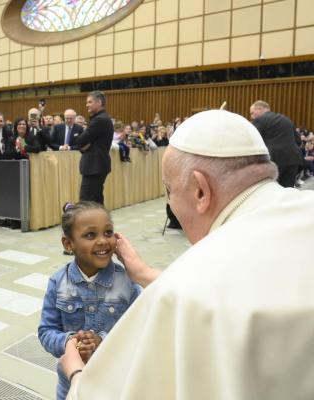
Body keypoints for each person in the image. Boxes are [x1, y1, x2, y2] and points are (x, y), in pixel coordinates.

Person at [61, 109, 314, 400]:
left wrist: (77, 373)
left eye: (169, 192)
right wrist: (143, 273)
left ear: (201, 192)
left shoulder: (185, 289)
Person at [39, 202, 140, 400]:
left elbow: (138, 330)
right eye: (90, 235)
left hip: (116, 383)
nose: (103, 241)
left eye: (108, 232)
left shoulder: (128, 282)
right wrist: (70, 342)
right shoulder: (58, 282)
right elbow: (46, 331)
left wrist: (103, 339)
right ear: (68, 244)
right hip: (70, 384)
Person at [250, 100, 303, 187]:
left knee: (271, 190)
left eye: (252, 113)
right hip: (293, 160)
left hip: (275, 161)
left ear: (259, 109)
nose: (252, 117)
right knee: (287, 190)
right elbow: (298, 141)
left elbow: (254, 141)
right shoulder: (286, 118)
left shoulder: (260, 120)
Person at [76, 91, 114, 204]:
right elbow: (83, 143)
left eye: (90, 102)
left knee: (86, 202)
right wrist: (85, 144)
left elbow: (80, 141)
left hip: (94, 166)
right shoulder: (101, 118)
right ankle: (101, 222)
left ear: (99, 102)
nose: (87, 105)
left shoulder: (99, 120)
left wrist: (84, 143)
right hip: (97, 165)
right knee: (96, 201)